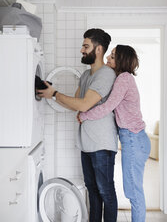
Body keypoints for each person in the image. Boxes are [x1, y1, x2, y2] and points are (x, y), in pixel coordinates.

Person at [37, 28, 118, 222]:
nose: (81, 50)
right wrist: (50, 92)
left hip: (102, 145)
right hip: (86, 144)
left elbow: (83, 104)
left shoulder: (106, 75)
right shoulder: (85, 75)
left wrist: (55, 94)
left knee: (105, 192)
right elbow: (75, 104)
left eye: (85, 46)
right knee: (93, 192)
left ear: (98, 50)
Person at [78, 45, 151, 222]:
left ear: (122, 60)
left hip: (133, 139)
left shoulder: (124, 79)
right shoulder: (122, 78)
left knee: (133, 192)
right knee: (132, 190)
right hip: (134, 139)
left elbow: (107, 107)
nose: (108, 58)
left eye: (113, 56)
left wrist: (84, 115)